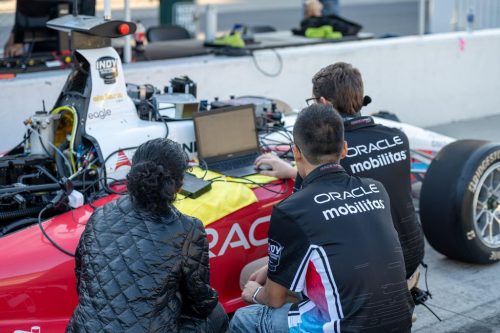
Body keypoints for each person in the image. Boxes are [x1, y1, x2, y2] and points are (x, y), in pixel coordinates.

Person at [231, 104, 414, 332]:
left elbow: (274, 299)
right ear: (344, 149)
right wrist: (273, 268)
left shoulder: (290, 210)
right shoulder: (377, 189)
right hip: (400, 321)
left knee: (242, 318)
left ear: (296, 152)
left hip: (345, 327)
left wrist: (255, 293)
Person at [256, 62, 425, 281]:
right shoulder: (397, 137)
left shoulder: (328, 150)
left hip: (369, 267)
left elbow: (301, 220)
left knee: (253, 272)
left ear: (324, 103)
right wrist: (292, 171)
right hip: (412, 253)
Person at [67, 138, 228, 332]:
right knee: (217, 314)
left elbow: (83, 282)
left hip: (83, 329)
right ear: (179, 184)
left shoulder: (99, 214)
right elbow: (201, 303)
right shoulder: (188, 229)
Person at [4, 0, 95, 57]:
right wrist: (14, 44)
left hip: (72, 53)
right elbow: (19, 26)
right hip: (37, 53)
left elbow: (89, 28)